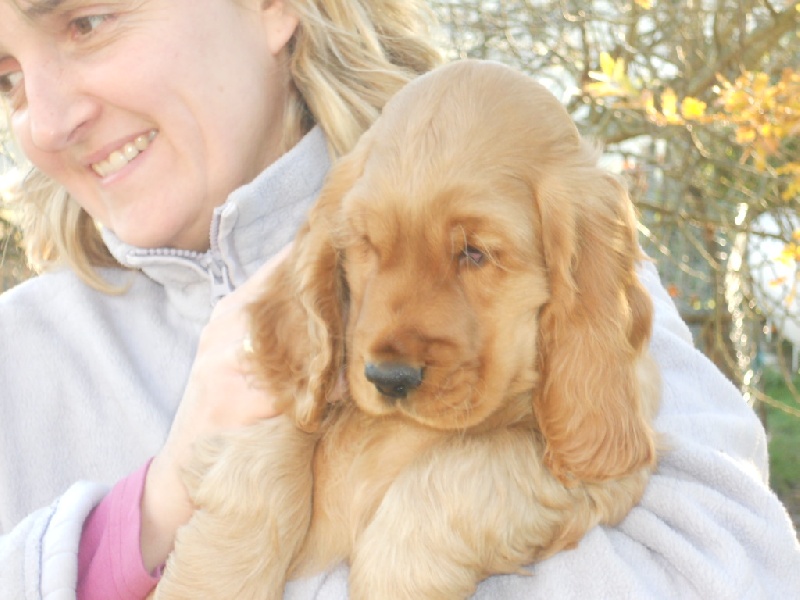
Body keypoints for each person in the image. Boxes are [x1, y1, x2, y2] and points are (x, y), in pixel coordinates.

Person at [0, 0, 798, 598]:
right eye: (6, 77)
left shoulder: (553, 236)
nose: (48, 121)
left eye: (85, 22)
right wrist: (144, 516)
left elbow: (734, 568)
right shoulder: (23, 355)